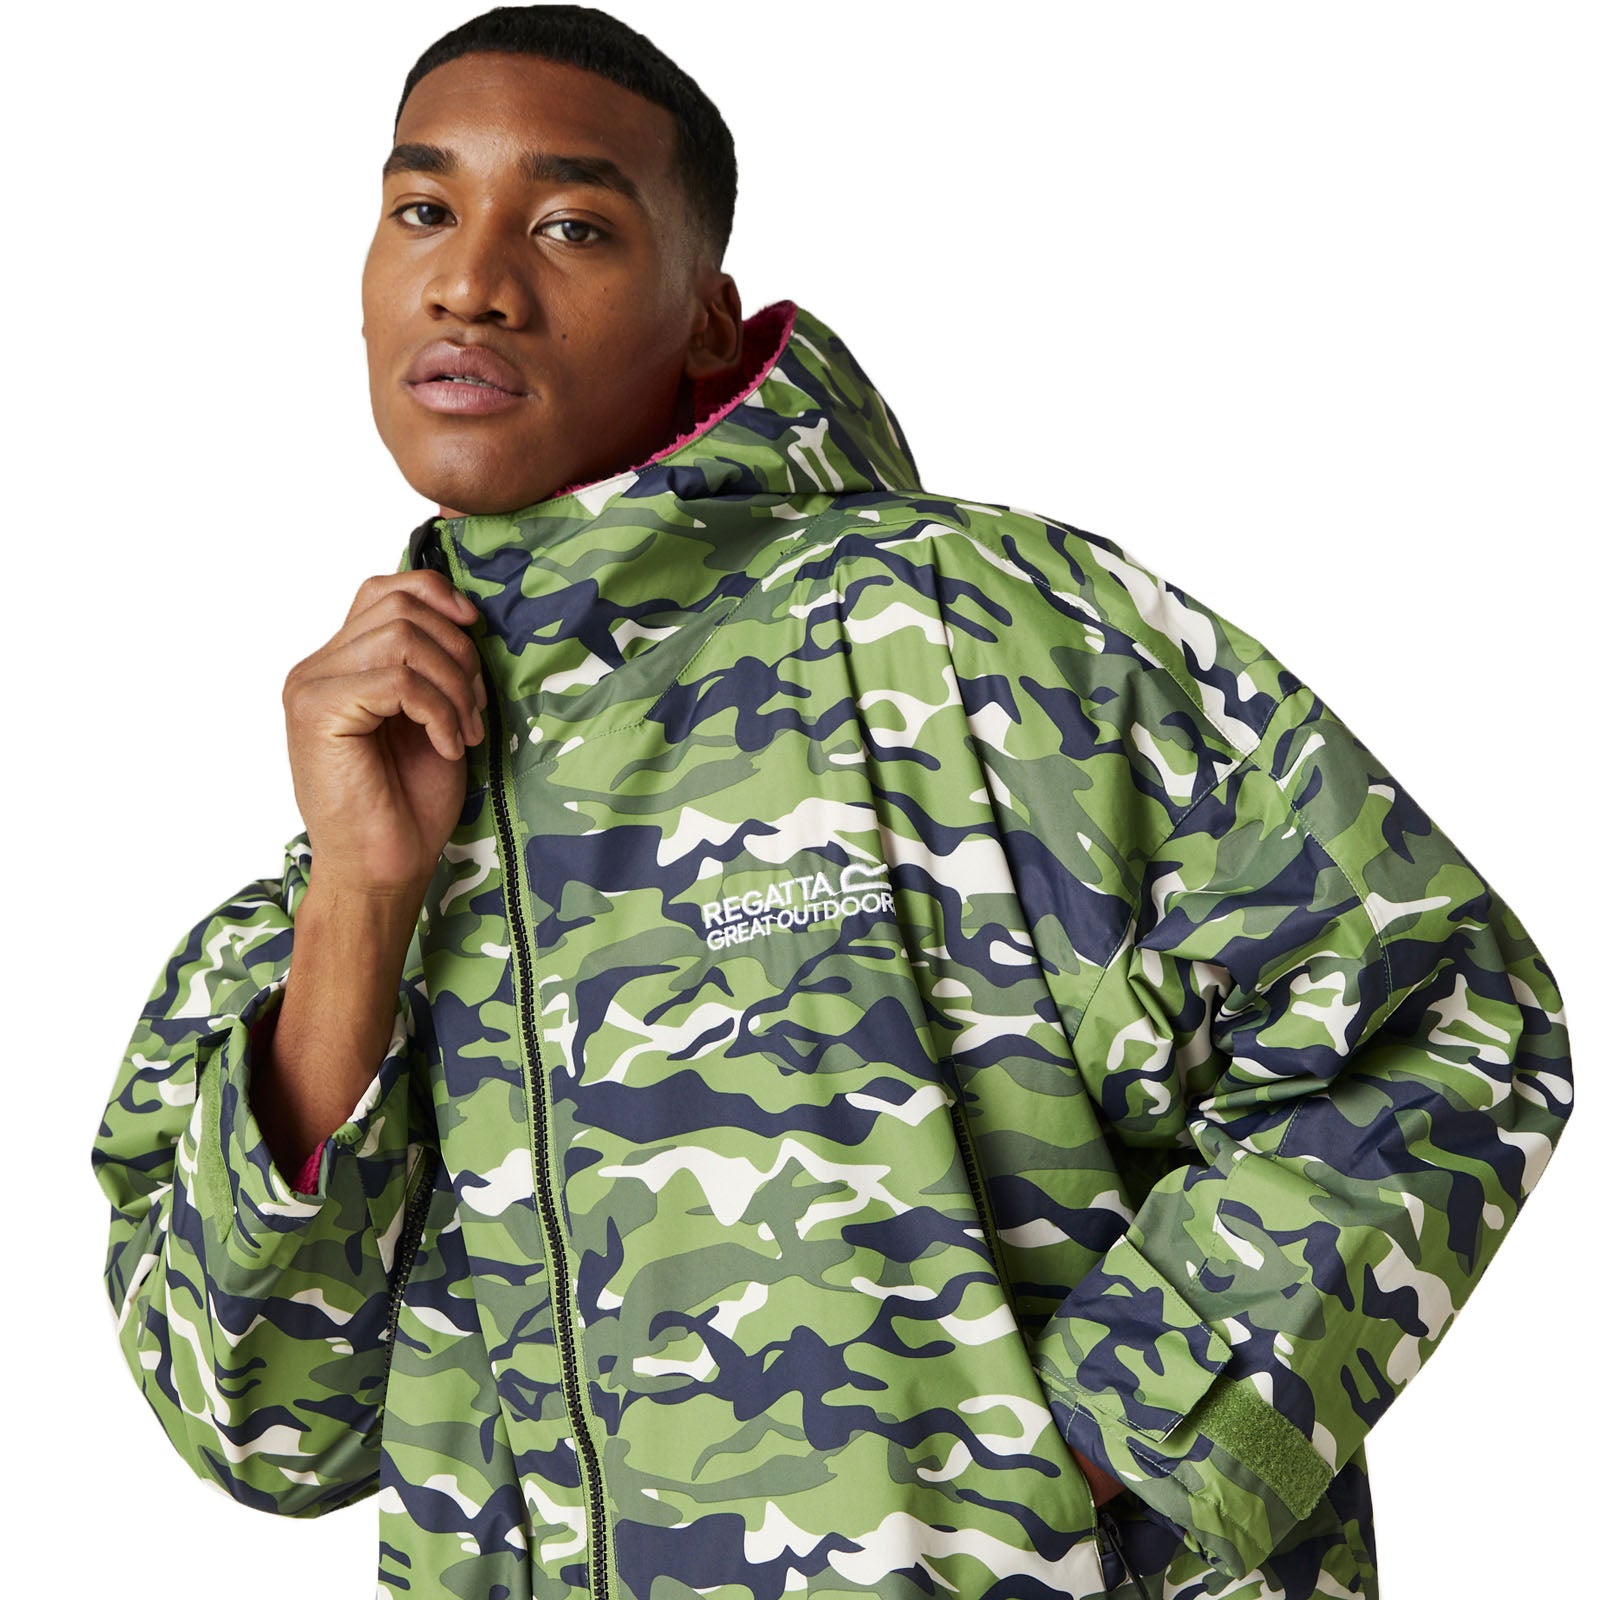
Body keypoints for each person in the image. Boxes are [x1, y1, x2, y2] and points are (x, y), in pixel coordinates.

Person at [89, 6, 1574, 1599]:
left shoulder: (968, 634)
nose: (471, 281)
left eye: (573, 224)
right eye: (422, 209)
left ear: (707, 321)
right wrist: (363, 899)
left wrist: (1089, 1463)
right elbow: (267, 1432)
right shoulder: (365, 824)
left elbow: (1444, 1012)